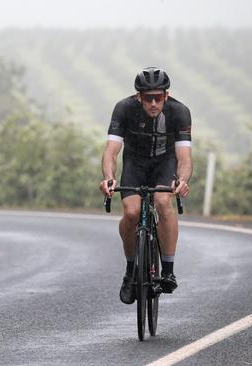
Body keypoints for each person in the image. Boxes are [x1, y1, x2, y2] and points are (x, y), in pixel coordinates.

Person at [99, 67, 192, 305]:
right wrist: (109, 177)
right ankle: (131, 271)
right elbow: (111, 151)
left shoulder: (179, 112)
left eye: (158, 97)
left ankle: (168, 270)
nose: (153, 103)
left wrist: (182, 180)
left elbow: (184, 157)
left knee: (162, 201)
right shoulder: (124, 109)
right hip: (135, 163)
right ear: (138, 97)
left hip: (164, 163)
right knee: (131, 212)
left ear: (166, 96)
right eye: (148, 97)